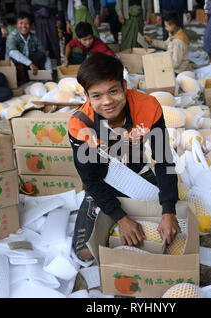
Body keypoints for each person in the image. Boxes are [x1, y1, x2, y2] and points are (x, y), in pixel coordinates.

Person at [68, 53, 180, 261]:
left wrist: (168, 210)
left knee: (173, 228)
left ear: (124, 86)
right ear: (86, 96)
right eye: (97, 96)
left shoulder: (148, 107)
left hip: (138, 174)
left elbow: (164, 159)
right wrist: (121, 218)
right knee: (85, 253)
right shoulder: (80, 125)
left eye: (113, 91)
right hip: (103, 181)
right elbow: (90, 178)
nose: (107, 101)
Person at [5, 12, 52, 86]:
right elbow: (12, 52)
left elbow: (44, 55)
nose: (24, 26)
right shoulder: (12, 36)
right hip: (16, 65)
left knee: (41, 55)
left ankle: (37, 78)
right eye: (21, 23)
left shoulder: (34, 37)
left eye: (27, 23)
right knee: (19, 64)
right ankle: (23, 82)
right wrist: (30, 63)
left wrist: (50, 73)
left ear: (31, 26)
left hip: (29, 65)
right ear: (16, 25)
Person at [31, 0, 64, 65]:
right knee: (41, 42)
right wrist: (32, 20)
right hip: (38, 16)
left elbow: (60, 3)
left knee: (54, 41)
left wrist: (60, 18)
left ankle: (58, 63)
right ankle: (44, 65)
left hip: (52, 15)